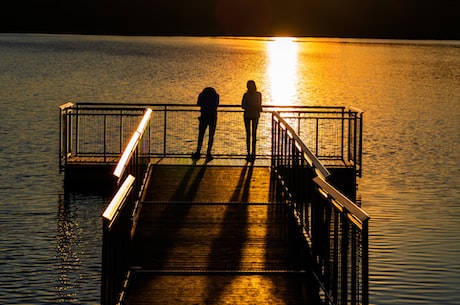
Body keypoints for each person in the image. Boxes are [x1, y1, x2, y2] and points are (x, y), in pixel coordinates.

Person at [192, 87, 219, 162]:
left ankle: (198, 151)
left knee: (201, 134)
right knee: (211, 135)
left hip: (204, 116)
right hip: (212, 116)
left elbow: (198, 103)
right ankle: (208, 152)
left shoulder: (202, 95)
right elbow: (216, 105)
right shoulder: (216, 96)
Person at [241, 80, 262, 161]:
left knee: (249, 134)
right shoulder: (258, 95)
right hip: (254, 115)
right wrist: (254, 107)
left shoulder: (246, 95)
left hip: (248, 115)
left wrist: (249, 106)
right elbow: (259, 106)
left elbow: (243, 106)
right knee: (253, 134)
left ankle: (249, 152)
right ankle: (252, 152)